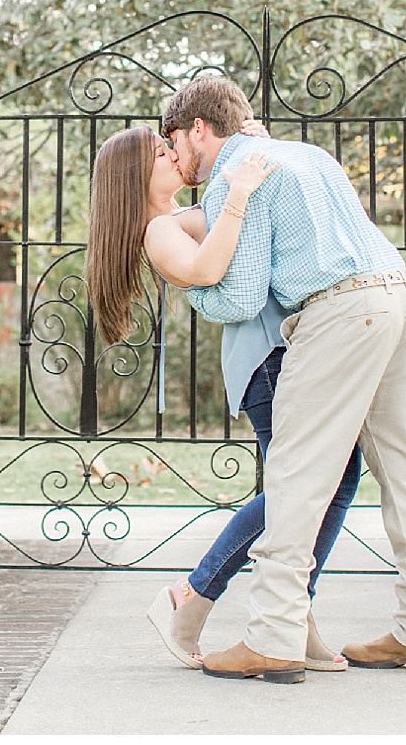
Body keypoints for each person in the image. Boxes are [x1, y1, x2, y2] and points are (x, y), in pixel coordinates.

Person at [161, 75, 406, 685]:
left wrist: (190, 288)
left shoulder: (233, 179)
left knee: (297, 475)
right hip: (400, 298)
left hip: (340, 312)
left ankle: (272, 639)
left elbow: (240, 296)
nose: (176, 156)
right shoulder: (310, 155)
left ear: (198, 127)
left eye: (174, 139)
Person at [86, 118, 360, 674]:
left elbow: (248, 216)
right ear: (138, 174)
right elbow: (207, 265)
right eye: (162, 153)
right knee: (305, 485)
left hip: (284, 354)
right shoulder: (157, 231)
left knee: (332, 478)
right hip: (265, 361)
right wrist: (237, 192)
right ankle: (196, 594)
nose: (172, 157)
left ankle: (291, 613)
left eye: (171, 147)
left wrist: (249, 154)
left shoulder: (180, 216)